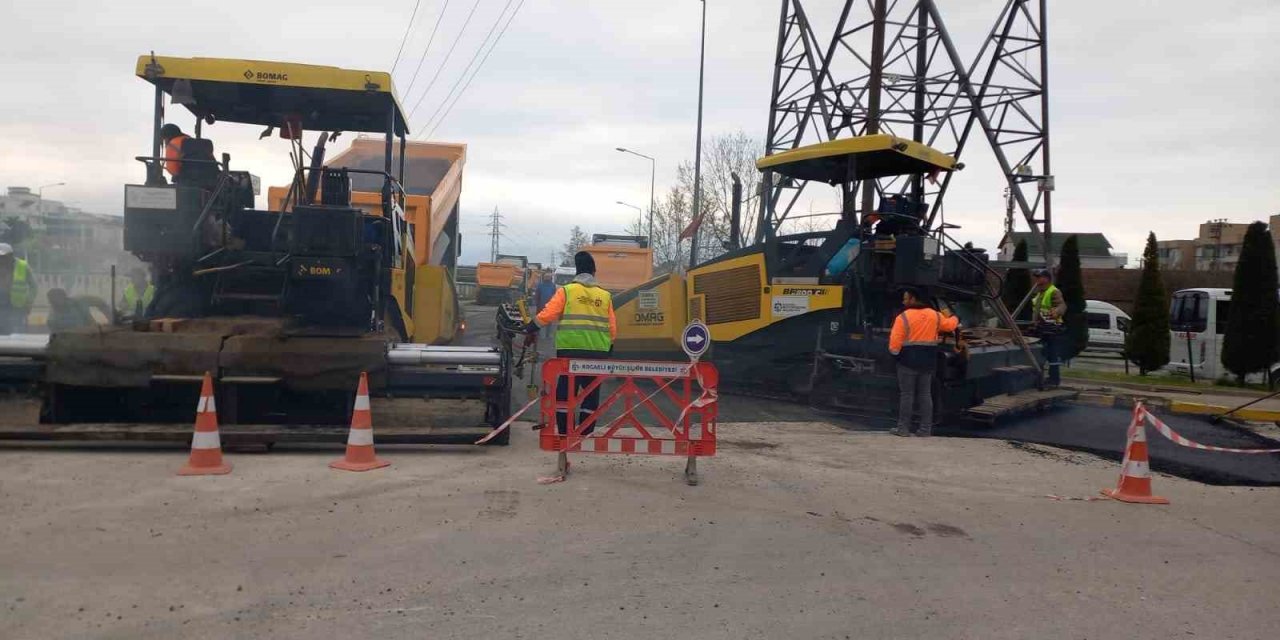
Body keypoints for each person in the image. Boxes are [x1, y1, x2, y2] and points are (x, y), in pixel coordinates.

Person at [530, 251, 617, 435]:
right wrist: (610, 346)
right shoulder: (605, 296)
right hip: (597, 353)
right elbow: (612, 327)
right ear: (594, 272)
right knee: (591, 394)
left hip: (569, 353)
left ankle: (565, 433)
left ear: (577, 272)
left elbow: (548, 314)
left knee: (565, 393)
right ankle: (585, 433)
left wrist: (532, 326)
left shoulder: (567, 291)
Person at [888, 287, 960, 437]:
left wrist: (896, 357)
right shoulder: (935, 315)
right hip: (927, 362)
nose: (903, 301)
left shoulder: (903, 317)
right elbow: (950, 325)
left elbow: (894, 343)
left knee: (907, 395)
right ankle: (925, 430)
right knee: (925, 395)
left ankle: (903, 429)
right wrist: (954, 316)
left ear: (913, 299)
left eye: (906, 298)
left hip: (907, 362)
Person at [1030, 267, 1067, 386]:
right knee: (1040, 353)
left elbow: (1062, 306)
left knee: (1052, 354)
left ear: (1046, 279)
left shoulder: (1053, 291)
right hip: (1041, 327)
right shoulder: (1040, 292)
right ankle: (1039, 378)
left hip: (1052, 328)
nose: (1036, 280)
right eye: (1036, 278)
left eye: (1039, 278)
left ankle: (1054, 380)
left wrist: (1056, 311)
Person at [0, 243, 37, 334]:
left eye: (3, 256)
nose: (1, 259)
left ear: (11, 255)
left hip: (17, 306)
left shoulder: (22, 266)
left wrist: (29, 301)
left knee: (17, 332)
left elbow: (34, 286)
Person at [45, 289, 112, 333]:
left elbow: (101, 302)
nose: (54, 303)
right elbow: (56, 337)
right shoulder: (52, 320)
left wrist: (112, 318)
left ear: (65, 297)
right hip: (74, 343)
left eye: (58, 298)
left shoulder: (80, 301)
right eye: (52, 301)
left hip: (92, 336)